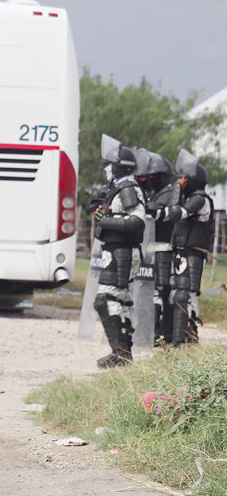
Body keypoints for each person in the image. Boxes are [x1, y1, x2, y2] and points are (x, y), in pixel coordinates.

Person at [91, 136, 146, 369]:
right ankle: (122, 355)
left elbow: (137, 221)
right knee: (120, 302)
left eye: (109, 164)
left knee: (107, 300)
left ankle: (120, 354)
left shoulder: (128, 188)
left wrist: (107, 220)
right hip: (115, 251)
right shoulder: (118, 187)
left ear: (119, 166)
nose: (106, 169)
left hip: (123, 252)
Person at [163, 149, 214, 346]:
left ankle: (187, 339)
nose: (181, 182)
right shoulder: (190, 198)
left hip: (193, 253)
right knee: (177, 294)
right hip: (182, 252)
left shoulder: (200, 198)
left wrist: (176, 189)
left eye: (185, 179)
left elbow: (176, 214)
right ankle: (179, 339)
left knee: (187, 295)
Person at [137, 151, 175, 345]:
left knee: (163, 289)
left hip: (165, 248)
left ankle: (163, 331)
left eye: (152, 176)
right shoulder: (153, 192)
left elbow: (155, 210)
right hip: (150, 247)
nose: (149, 180)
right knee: (149, 289)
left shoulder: (169, 192)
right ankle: (148, 329)